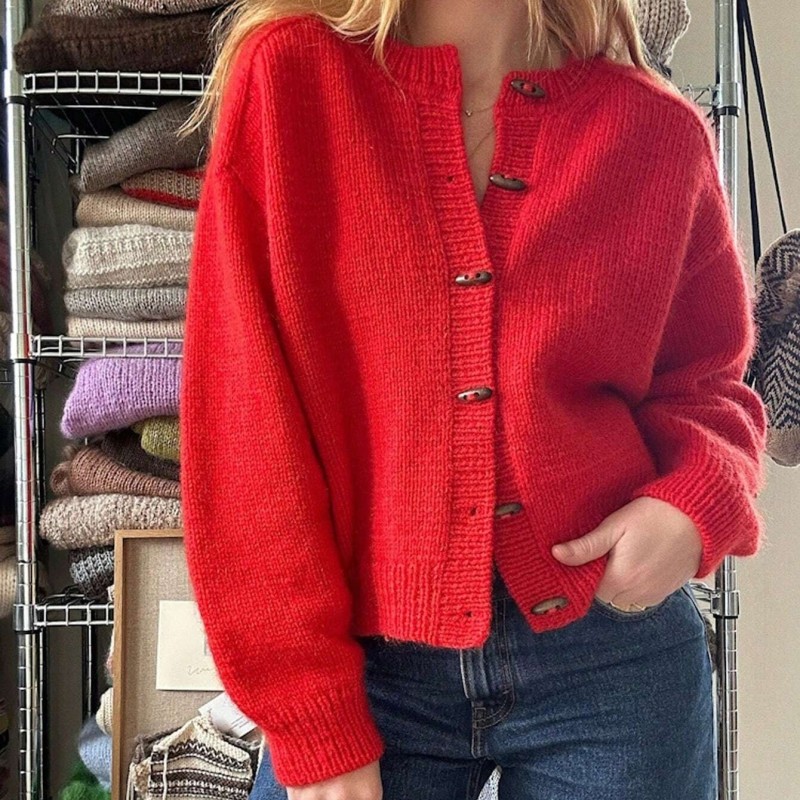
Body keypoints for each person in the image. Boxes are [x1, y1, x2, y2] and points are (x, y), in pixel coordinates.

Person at [179, 1, 768, 798]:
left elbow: (708, 383)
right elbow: (244, 415)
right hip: (367, 669)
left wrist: (692, 504)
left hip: (613, 652)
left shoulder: (656, 130)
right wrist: (311, 716)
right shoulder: (291, 80)